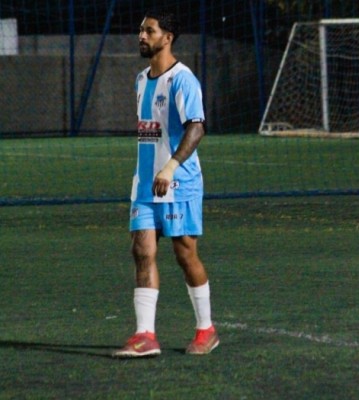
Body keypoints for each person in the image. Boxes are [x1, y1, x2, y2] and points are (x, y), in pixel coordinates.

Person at [113, 9, 219, 358]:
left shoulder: (183, 79)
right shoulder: (141, 79)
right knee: (142, 251)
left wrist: (170, 167)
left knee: (185, 254)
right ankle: (145, 335)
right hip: (145, 184)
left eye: (149, 31)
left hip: (179, 182)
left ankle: (206, 330)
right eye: (141, 30)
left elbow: (197, 127)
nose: (141, 36)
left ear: (168, 37)